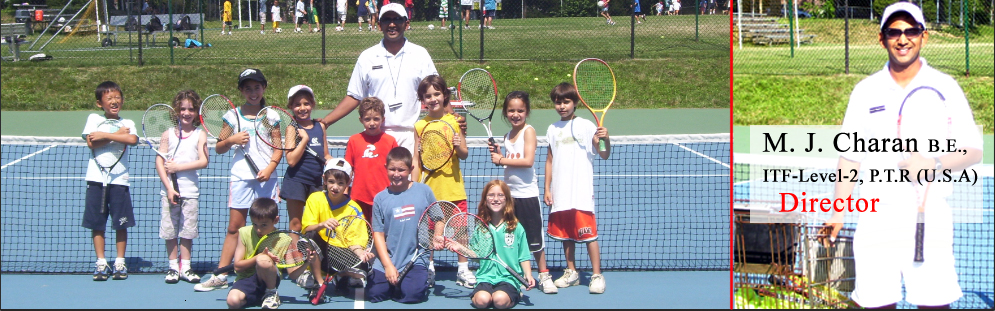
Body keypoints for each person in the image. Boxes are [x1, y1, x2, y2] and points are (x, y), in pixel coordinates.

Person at [824, 2, 982, 309]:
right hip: (875, 221)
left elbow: (974, 150)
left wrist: (933, 163)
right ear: (881, 39)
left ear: (923, 37)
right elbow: (850, 158)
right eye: (894, 32)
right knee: (875, 305)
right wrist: (837, 213)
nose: (903, 38)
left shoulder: (946, 87)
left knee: (934, 305)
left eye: (911, 30)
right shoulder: (865, 91)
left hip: (930, 219)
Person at [320, 3, 466, 156]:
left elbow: (437, 91)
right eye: (386, 20)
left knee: (409, 180)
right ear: (379, 25)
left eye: (397, 19)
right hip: (375, 135)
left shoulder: (420, 54)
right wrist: (325, 122)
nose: (392, 24)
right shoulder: (367, 57)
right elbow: (354, 95)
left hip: (412, 135)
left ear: (406, 24)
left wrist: (451, 118)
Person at [196, 68, 285, 292]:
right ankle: (222, 273)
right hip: (241, 178)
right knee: (235, 227)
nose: (253, 92)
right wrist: (232, 139)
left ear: (264, 88)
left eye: (257, 87)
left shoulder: (271, 116)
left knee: (268, 227)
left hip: (266, 179)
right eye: (248, 88)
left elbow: (278, 148)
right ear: (241, 91)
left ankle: (269, 272)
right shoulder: (232, 116)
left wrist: (270, 167)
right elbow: (218, 148)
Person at [544, 82, 611, 294]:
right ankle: (571, 272)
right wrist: (547, 188)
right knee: (566, 235)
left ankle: (597, 275)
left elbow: (603, 153)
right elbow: (549, 159)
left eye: (566, 101)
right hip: (560, 192)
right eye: (558, 102)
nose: (562, 106)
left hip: (581, 192)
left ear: (575, 103)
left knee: (589, 235)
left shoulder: (586, 125)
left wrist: (605, 139)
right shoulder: (552, 128)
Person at [487, 91, 555, 294]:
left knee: (534, 239)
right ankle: (513, 274)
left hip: (527, 196)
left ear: (527, 111)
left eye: (520, 110)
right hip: (509, 196)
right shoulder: (507, 136)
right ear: (505, 113)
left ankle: (544, 275)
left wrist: (501, 160)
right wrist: (500, 154)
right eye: (511, 110)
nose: (515, 114)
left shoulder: (529, 131)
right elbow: (509, 163)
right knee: (510, 237)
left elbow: (527, 161)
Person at [411, 75, 475, 288]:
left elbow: (464, 154)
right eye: (428, 96)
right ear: (422, 99)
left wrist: (458, 145)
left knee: (460, 230)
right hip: (430, 190)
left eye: (437, 94)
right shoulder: (419, 126)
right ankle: (429, 269)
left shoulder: (455, 121)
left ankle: (463, 269)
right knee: (430, 232)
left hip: (454, 188)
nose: (433, 99)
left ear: (445, 96)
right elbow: (416, 160)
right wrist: (414, 186)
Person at [82, 81, 140, 281]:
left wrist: (105, 136)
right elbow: (91, 142)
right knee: (97, 224)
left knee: (120, 224)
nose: (114, 101)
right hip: (96, 180)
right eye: (109, 98)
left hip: (120, 180)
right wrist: (116, 135)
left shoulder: (129, 123)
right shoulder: (93, 119)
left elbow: (132, 140)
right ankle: (100, 262)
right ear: (100, 103)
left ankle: (119, 262)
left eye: (117, 97)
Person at [366, 147, 436, 303]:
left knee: (412, 295)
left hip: (416, 258)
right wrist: (388, 266)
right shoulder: (380, 198)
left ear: (411, 169)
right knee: (374, 295)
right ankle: (391, 281)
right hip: (390, 258)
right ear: (386, 168)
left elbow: (438, 218)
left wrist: (437, 236)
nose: (396, 174)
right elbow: (378, 234)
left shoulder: (424, 191)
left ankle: (411, 281)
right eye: (392, 169)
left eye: (401, 170)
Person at [300, 159, 374, 299]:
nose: (335, 187)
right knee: (310, 236)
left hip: (340, 254)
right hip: (320, 251)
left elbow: (355, 240)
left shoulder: (354, 209)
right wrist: (322, 224)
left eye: (341, 183)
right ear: (324, 180)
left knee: (364, 269)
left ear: (347, 184)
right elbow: (307, 228)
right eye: (332, 181)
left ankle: (341, 275)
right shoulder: (315, 199)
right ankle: (318, 281)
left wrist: (360, 254)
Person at [457, 180, 536, 309]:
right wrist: (459, 248)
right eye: (491, 195)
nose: (495, 199)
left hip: (508, 278)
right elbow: (476, 256)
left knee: (499, 300)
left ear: (507, 200)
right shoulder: (481, 228)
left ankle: (516, 293)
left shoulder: (516, 227)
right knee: (481, 301)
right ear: (485, 200)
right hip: (485, 277)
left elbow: (523, 256)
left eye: (500, 195)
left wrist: (528, 275)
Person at [158, 90, 210, 284]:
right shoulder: (167, 134)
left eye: (190, 109)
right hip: (169, 192)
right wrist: (169, 188)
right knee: (170, 231)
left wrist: (178, 167)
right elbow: (160, 162)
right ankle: (173, 267)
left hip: (190, 192)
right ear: (176, 111)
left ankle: (186, 267)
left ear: (196, 112)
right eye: (182, 109)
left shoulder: (200, 134)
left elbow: (204, 161)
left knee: (187, 231)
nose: (186, 113)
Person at [225, 198, 312, 309]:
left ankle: (271, 293)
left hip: (269, 279)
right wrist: (259, 256)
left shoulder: (285, 240)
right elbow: (237, 266)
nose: (258, 230)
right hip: (246, 278)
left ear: (276, 220)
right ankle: (258, 296)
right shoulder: (244, 232)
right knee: (233, 302)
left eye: (264, 225)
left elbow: (293, 274)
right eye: (255, 224)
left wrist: (306, 262)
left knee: (263, 261)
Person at [279, 84, 333, 250]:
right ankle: (295, 260)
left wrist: (336, 165)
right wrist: (303, 140)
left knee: (316, 224)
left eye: (306, 103)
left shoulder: (320, 126)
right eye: (297, 104)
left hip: (316, 182)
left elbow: (325, 155)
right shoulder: (291, 129)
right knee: (296, 223)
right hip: (297, 181)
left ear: (312, 104)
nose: (302, 108)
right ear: (291, 107)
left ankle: (314, 260)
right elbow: (291, 160)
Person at [344, 97, 398, 223]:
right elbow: (348, 170)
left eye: (376, 119)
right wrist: (345, 193)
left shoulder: (390, 141)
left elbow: (396, 169)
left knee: (381, 234)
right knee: (360, 235)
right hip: (359, 197)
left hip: (384, 196)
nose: (372, 123)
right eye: (367, 119)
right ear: (361, 120)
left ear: (383, 119)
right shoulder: (354, 140)